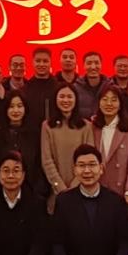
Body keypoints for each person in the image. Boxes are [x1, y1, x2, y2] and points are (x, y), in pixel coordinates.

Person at [41, 82, 95, 211]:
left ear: (76, 100)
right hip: (56, 191)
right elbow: (47, 161)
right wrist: (60, 187)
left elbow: (89, 160)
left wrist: (75, 187)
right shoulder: (47, 126)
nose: (66, 100)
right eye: (62, 96)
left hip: (82, 188)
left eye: (70, 97)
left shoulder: (86, 126)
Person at [0, 92, 45, 200]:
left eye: (19, 106)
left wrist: (38, 191)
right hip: (1, 193)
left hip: (31, 193)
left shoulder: (35, 134)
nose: (16, 110)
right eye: (11, 106)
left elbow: (39, 164)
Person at [91, 85, 128, 205]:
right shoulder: (92, 126)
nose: (109, 104)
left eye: (114, 100)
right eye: (105, 99)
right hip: (95, 187)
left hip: (120, 190)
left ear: (120, 104)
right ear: (99, 103)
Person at [20, 47, 59, 130]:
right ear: (32, 62)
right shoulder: (25, 89)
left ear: (50, 62)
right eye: (38, 61)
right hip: (30, 133)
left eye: (45, 61)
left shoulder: (58, 88)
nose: (41, 64)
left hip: (55, 132)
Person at [74, 51, 108, 118]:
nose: (93, 67)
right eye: (89, 63)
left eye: (96, 63)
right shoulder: (75, 88)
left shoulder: (110, 87)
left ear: (101, 64)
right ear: (84, 65)